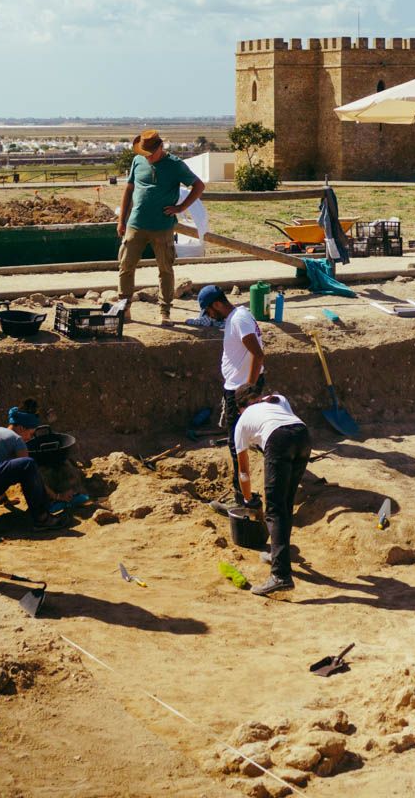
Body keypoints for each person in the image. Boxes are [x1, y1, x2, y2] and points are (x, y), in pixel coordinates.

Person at [116, 129, 206, 323]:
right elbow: (129, 189)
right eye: (144, 153)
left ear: (160, 147)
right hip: (136, 224)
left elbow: (198, 186)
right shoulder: (137, 161)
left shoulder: (175, 165)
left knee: (165, 269)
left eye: (150, 153)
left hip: (162, 227)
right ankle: (124, 307)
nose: (147, 157)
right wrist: (121, 220)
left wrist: (181, 207)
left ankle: (164, 311)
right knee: (125, 265)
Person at [232, 391, 311, 596]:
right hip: (303, 435)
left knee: (274, 510)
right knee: (285, 505)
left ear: (240, 408)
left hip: (279, 440)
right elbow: (288, 425)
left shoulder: (241, 423)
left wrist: (248, 499)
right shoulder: (277, 398)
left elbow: (243, 472)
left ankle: (281, 575)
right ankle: (278, 556)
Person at [199, 282, 265, 485]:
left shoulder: (239, 320)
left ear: (217, 304)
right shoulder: (235, 318)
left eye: (209, 311)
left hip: (241, 389)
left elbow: (257, 353)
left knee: (236, 443)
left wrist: (248, 390)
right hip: (238, 386)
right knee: (241, 438)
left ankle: (241, 495)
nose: (209, 316)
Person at [0, 405, 59, 529]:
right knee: (27, 464)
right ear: (21, 427)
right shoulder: (17, 439)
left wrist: (5, 500)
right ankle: (42, 519)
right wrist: (56, 496)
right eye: (31, 433)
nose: (30, 438)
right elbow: (30, 474)